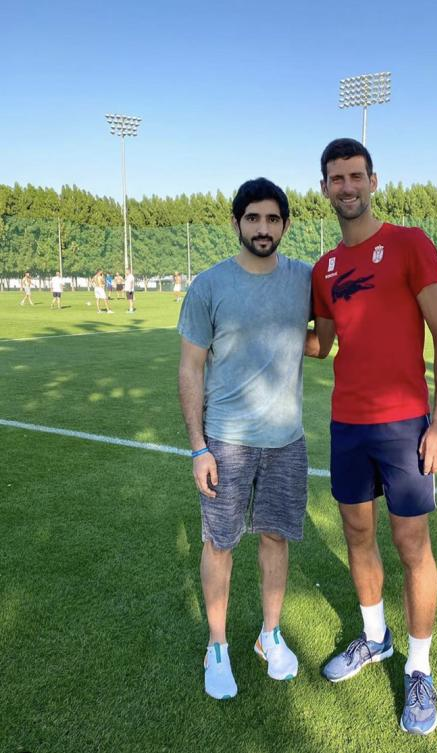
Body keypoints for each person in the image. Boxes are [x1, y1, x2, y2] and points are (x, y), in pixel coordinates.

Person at [309, 138, 437, 736]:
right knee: (356, 532)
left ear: (373, 181)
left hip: (404, 426)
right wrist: (253, 331)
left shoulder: (409, 243)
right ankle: (376, 640)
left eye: (355, 176)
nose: (346, 187)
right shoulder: (324, 268)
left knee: (411, 544)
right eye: (335, 178)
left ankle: (419, 670)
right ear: (323, 188)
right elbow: (320, 345)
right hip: (347, 423)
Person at [177, 178, 313, 701]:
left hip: (286, 441)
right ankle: (217, 646)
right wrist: (198, 446)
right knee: (220, 542)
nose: (263, 228)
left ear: (285, 225)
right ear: (237, 223)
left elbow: (323, 338)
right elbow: (190, 368)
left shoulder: (302, 279)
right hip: (226, 442)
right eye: (253, 218)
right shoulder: (210, 285)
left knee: (276, 537)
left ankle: (268, 636)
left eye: (272, 219)